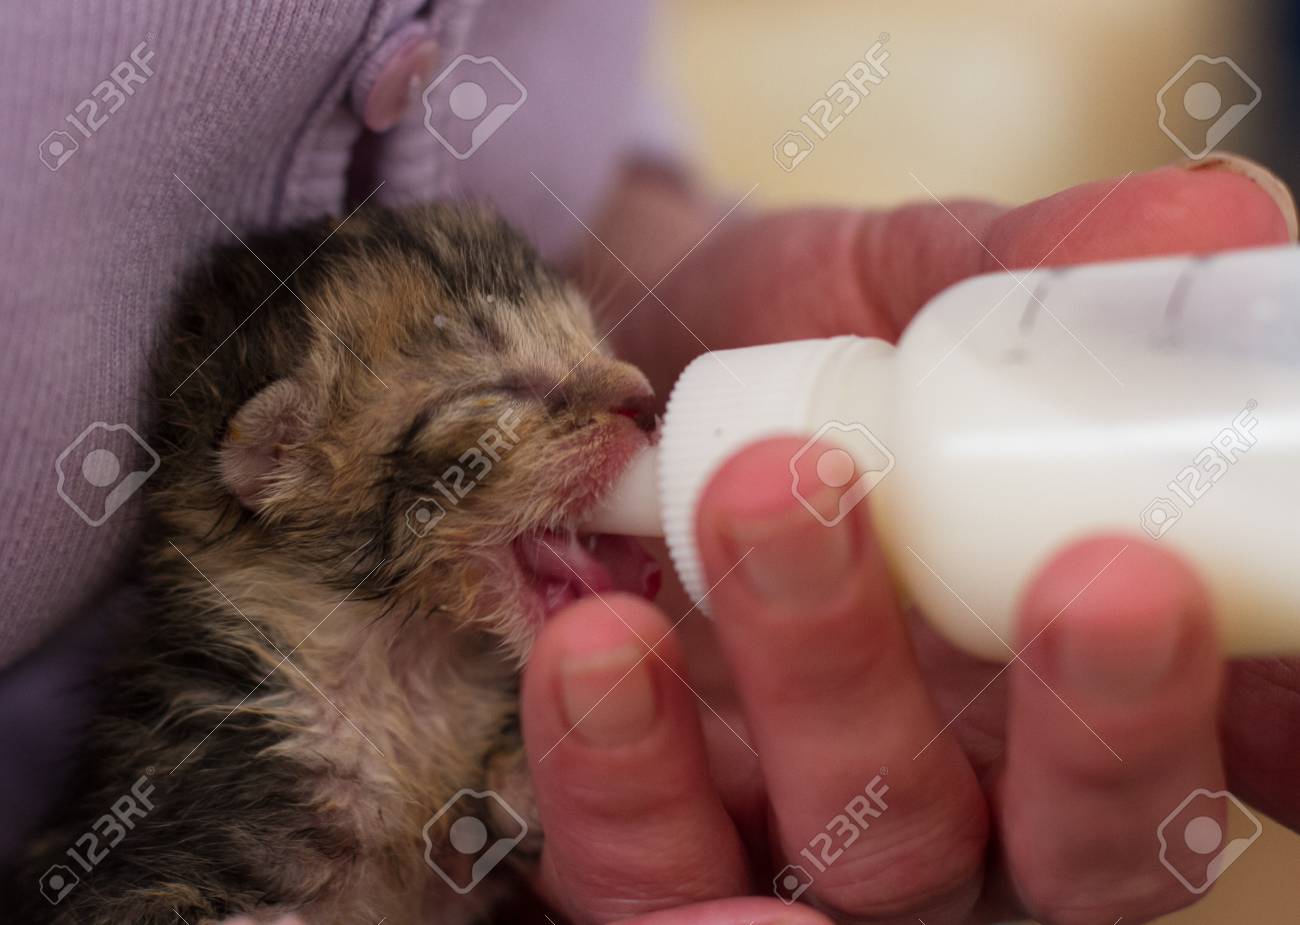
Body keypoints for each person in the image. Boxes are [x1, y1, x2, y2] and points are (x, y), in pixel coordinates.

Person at [2, 3, 1297, 923]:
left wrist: (648, 235)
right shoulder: (223, 770)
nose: (631, 388)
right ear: (278, 463)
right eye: (513, 389)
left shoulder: (486, 701)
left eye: (588, 349)